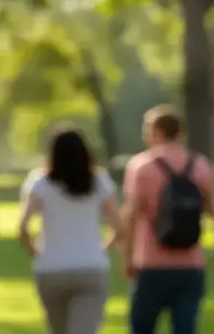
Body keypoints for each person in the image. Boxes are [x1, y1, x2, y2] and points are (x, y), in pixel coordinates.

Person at [18, 129, 121, 334]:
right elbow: (118, 227)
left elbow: (23, 227)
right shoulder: (98, 182)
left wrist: (36, 252)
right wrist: (102, 249)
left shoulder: (40, 183)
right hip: (90, 267)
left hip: (51, 268)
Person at [122, 105, 213, 334]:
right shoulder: (200, 165)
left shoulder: (141, 166)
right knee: (185, 328)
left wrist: (127, 258)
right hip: (191, 264)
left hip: (150, 263)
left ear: (157, 131)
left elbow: (131, 217)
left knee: (141, 328)